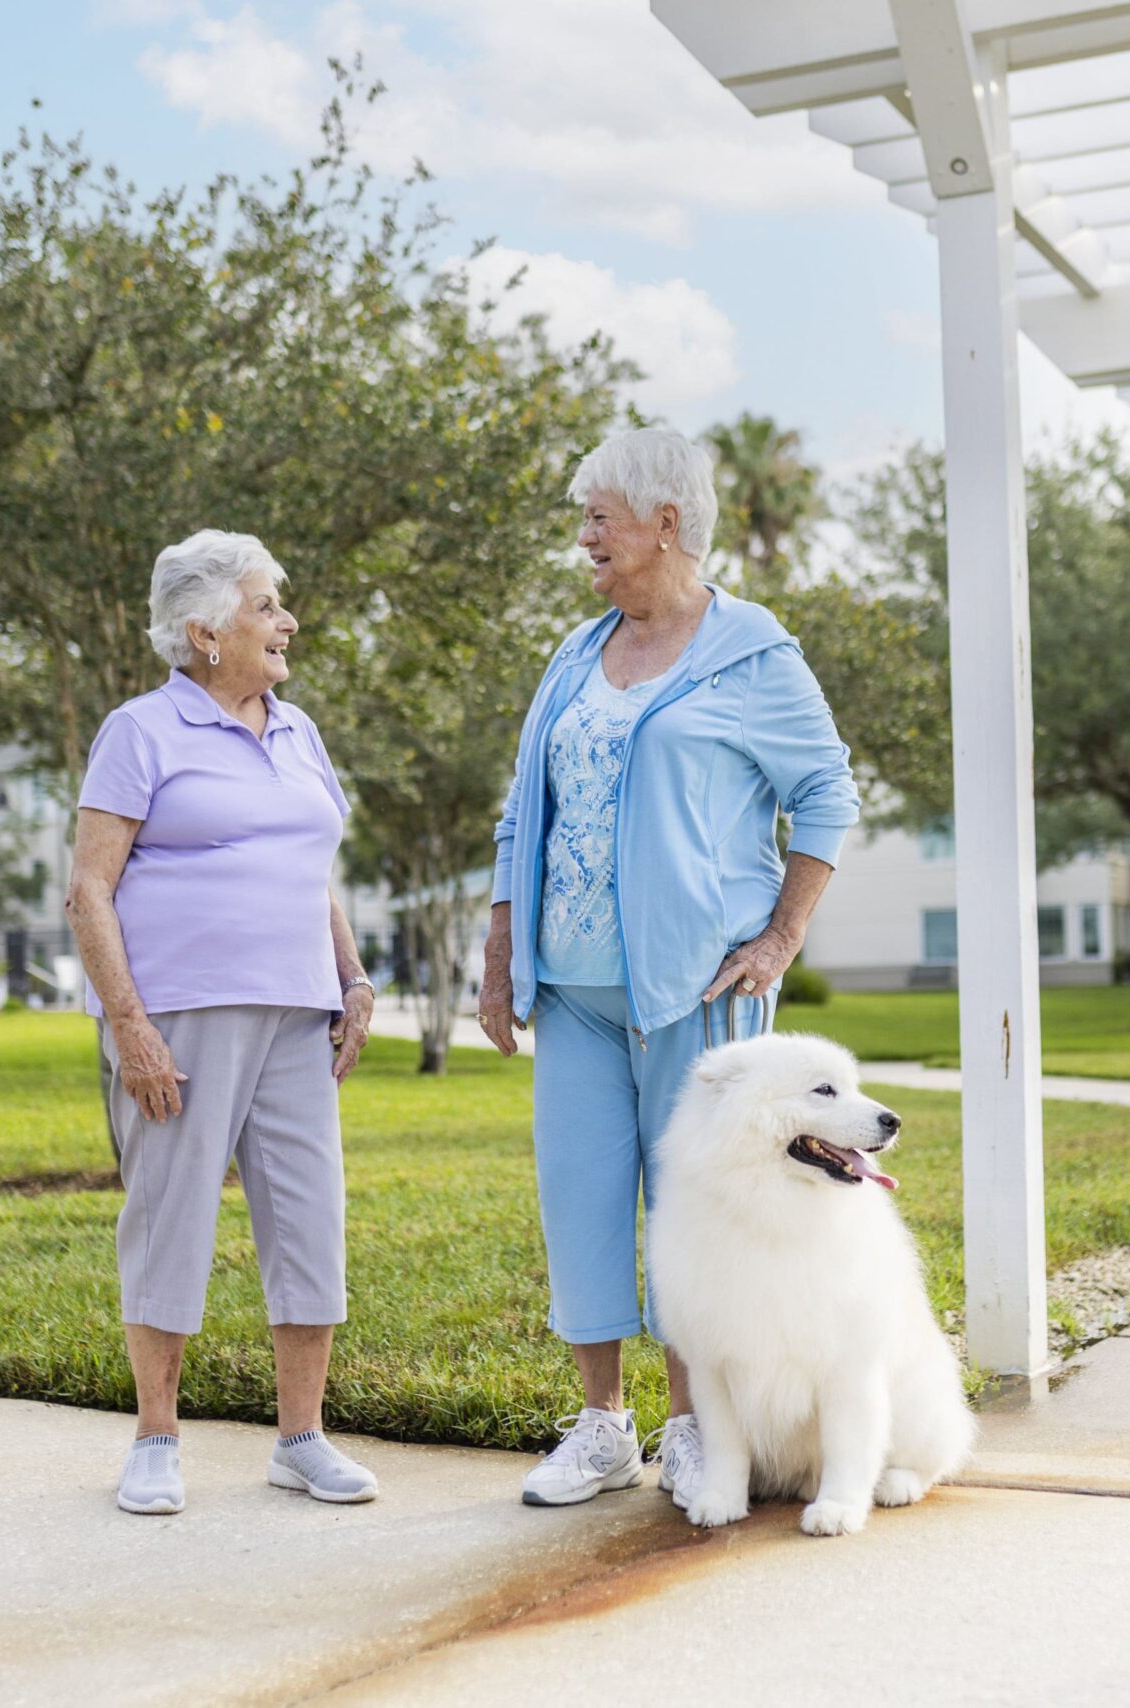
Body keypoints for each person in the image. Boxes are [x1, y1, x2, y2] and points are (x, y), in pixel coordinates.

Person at [480, 427, 859, 1509]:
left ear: (665, 523)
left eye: (598, 516)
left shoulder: (751, 651)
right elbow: (524, 813)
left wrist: (780, 937)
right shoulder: (574, 651)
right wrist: (504, 948)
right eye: (583, 517)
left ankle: (699, 1430)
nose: (584, 537)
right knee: (582, 1201)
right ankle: (603, 1428)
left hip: (699, 989)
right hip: (577, 993)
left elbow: (827, 796)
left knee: (694, 1212)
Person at [65, 529, 380, 1515]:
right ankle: (156, 1439)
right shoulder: (141, 730)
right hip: (183, 1012)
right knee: (172, 1219)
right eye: (266, 605)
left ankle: (301, 1439)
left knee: (308, 1219)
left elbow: (308, 867)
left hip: (298, 1014)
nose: (286, 622)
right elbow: (87, 888)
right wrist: (131, 1026)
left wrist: (353, 972)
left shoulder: (297, 732)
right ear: (204, 631)